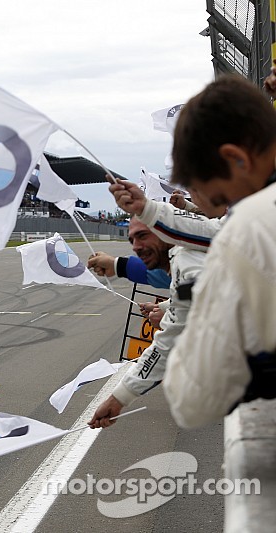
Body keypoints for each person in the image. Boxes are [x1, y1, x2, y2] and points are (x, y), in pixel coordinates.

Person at [156, 74, 276, 429]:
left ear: (236, 159)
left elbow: (194, 401)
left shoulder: (248, 228)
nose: (223, 211)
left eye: (223, 198)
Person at [89, 215, 206, 428]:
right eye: (131, 241)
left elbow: (167, 343)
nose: (136, 247)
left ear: (167, 232)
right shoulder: (184, 260)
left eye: (142, 236)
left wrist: (118, 398)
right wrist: (164, 308)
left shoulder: (187, 264)